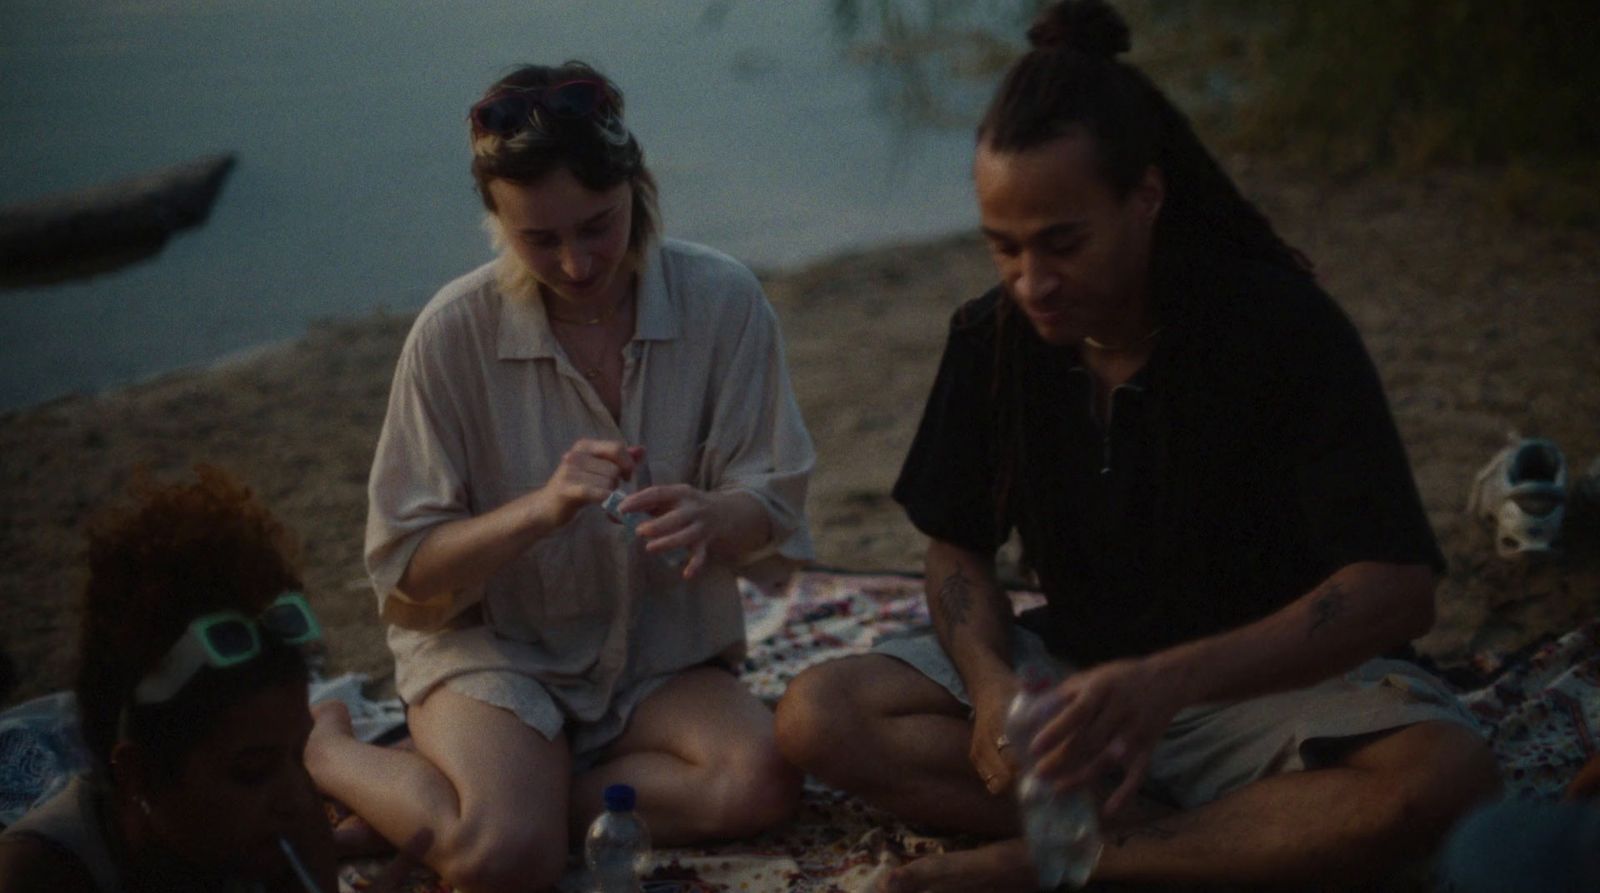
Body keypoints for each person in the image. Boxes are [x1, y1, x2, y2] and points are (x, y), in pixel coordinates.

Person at [774, 2, 1499, 889]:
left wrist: (1166, 685)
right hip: (1075, 682)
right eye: (1003, 247)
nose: (1031, 282)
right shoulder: (992, 338)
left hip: (1268, 694)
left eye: (1062, 243)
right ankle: (1224, 843)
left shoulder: (1279, 328)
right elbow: (957, 543)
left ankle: (1063, 862)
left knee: (1445, 778)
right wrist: (993, 681)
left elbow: (1397, 592)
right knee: (821, 714)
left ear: (1145, 197)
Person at [303, 61, 815, 893]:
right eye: (538, 238)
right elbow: (406, 573)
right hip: (495, 651)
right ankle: (329, 746)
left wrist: (717, 517)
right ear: (495, 221)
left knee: (761, 781)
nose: (578, 263)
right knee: (505, 862)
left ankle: (464, 800)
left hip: (659, 652)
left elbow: (774, 504)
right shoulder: (448, 335)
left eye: (598, 226)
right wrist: (539, 510)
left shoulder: (725, 301)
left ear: (637, 187)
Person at [0, 466, 342, 892]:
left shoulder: (287, 827)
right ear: (138, 774)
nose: (296, 795)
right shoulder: (42, 876)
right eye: (252, 771)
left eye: (299, 753)